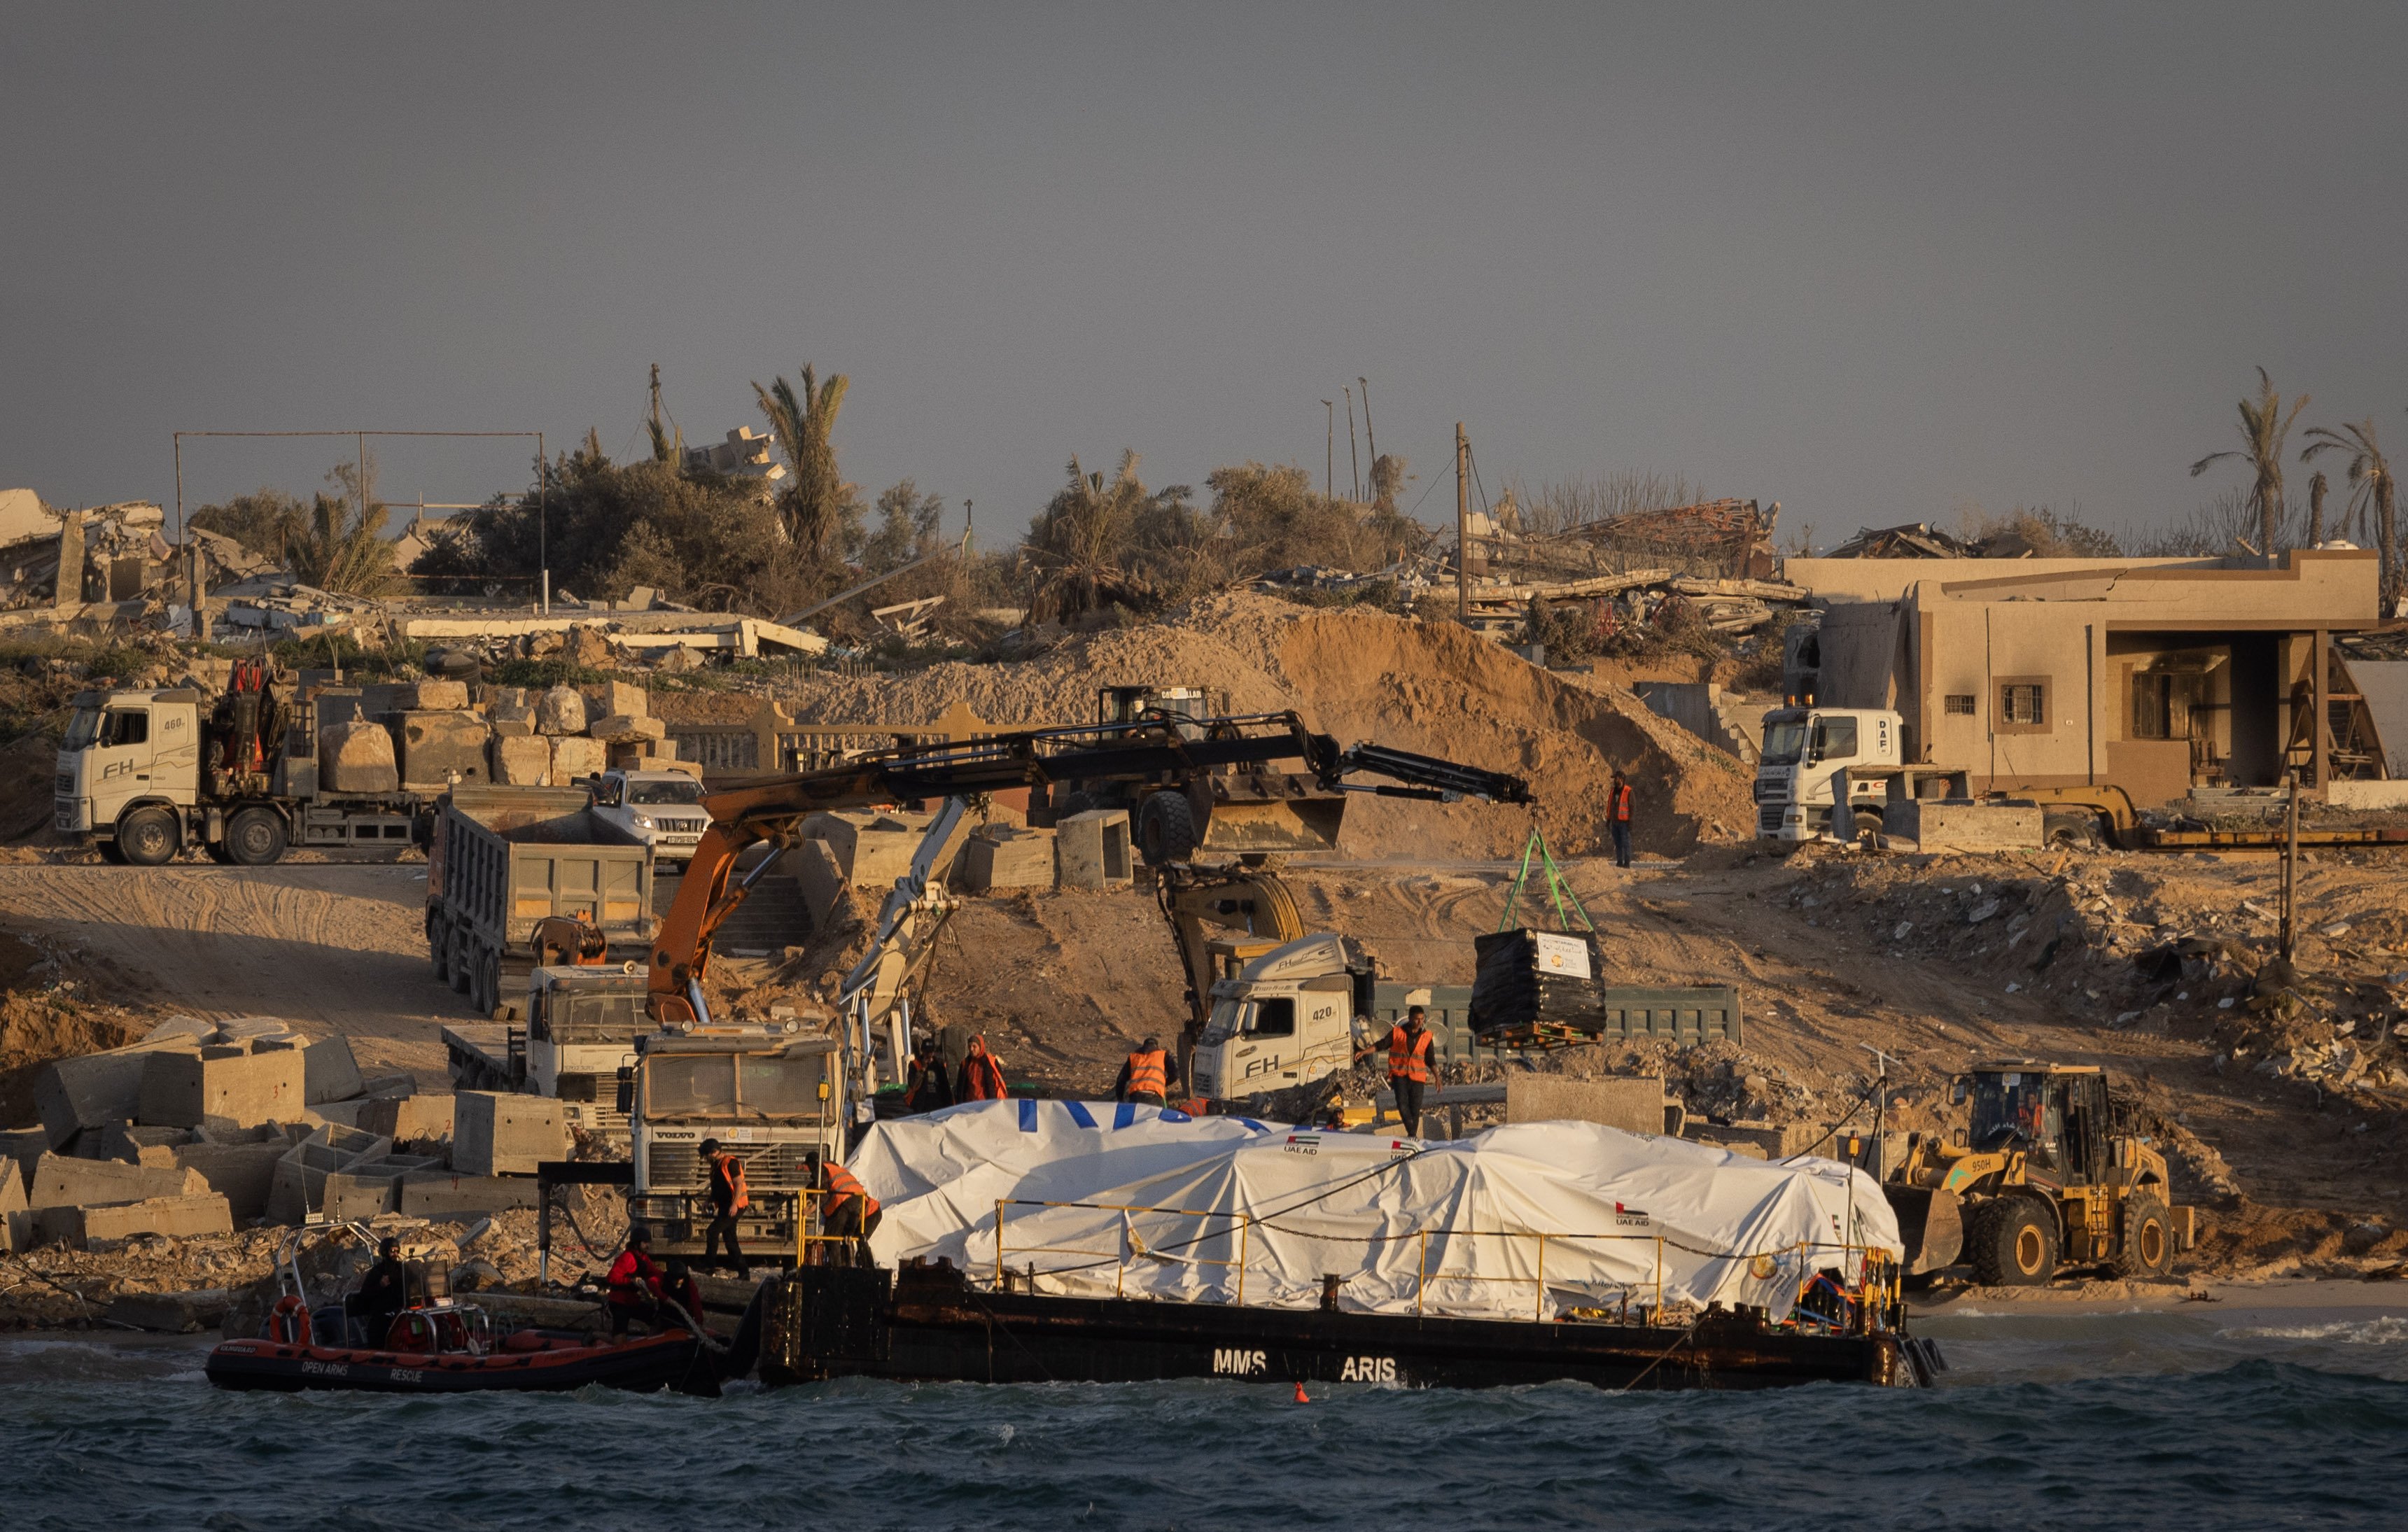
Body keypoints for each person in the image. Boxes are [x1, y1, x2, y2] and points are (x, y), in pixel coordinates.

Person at [699, 1138, 751, 1279]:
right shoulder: (716, 1166)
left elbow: (739, 1184)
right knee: (730, 1241)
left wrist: (734, 1204)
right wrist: (708, 1200)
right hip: (725, 1206)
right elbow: (717, 1188)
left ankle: (709, 1267)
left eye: (706, 1156)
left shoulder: (731, 1163)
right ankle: (744, 1273)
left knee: (712, 1231)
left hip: (735, 1206)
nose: (705, 1160)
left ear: (714, 1152)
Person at [818, 1157, 883, 1263]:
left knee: (859, 1238)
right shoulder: (834, 1196)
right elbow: (825, 1220)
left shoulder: (842, 1193)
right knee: (846, 1237)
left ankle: (866, 1265)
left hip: (872, 1213)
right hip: (860, 1213)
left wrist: (850, 1230)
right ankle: (847, 1263)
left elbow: (854, 1212)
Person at [604, 1227, 666, 1336]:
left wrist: (668, 1277)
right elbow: (611, 1277)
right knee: (619, 1342)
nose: (648, 1246)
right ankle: (595, 1335)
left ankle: (651, 1344)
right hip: (620, 1303)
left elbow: (654, 1272)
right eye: (645, 1243)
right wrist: (630, 1281)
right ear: (637, 1243)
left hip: (633, 1301)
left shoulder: (643, 1258)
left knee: (657, 1320)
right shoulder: (627, 1258)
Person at [351, 1235, 410, 1347]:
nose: (395, 1254)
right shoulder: (377, 1271)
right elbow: (364, 1294)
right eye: (392, 1251)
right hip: (382, 1315)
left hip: (401, 1311)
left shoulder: (402, 1268)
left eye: (397, 1251)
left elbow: (414, 1282)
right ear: (384, 1252)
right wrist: (380, 1285)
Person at [1387, 1005, 1435, 1137]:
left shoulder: (1426, 1037)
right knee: (1402, 1105)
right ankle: (1413, 1134)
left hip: (1417, 1077)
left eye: (1422, 1019)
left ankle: (1412, 1136)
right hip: (1400, 1075)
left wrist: (1438, 1078)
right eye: (1417, 1019)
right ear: (1410, 1019)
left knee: (1415, 1109)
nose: (1420, 1022)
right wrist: (1365, 1051)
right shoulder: (1398, 1033)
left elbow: (1431, 1059)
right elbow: (1382, 1044)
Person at [1113, 1036, 1181, 1106]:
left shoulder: (1134, 1057)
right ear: (1157, 1046)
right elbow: (1176, 1074)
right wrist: (1164, 1083)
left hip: (1136, 1096)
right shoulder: (1163, 1055)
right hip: (1155, 1096)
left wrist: (1120, 1099)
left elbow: (1121, 1080)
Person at [903, 1039, 955, 1114]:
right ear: (922, 1052)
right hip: (921, 1107)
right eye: (926, 1052)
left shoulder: (939, 1065)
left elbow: (945, 1086)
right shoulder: (915, 1064)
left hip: (938, 1106)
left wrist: (950, 1104)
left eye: (931, 1052)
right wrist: (923, 1069)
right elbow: (913, 1085)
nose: (929, 1055)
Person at [658, 1258, 708, 1333]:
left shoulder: (689, 1284)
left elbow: (696, 1303)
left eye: (681, 1279)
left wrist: (699, 1323)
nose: (679, 1281)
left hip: (683, 1318)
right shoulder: (663, 1279)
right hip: (666, 1316)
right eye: (676, 1279)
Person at [957, 1034, 1008, 1102]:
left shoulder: (990, 1062)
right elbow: (961, 1086)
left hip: (987, 1104)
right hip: (970, 1105)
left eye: (974, 1046)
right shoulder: (965, 1063)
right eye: (970, 1047)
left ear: (980, 1047)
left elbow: (996, 1083)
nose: (971, 1049)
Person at [1609, 768, 1635, 870]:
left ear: (1621, 779)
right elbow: (1610, 806)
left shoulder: (1629, 791)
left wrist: (1631, 822)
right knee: (1618, 843)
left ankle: (1627, 863)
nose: (1615, 780)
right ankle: (1619, 862)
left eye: (1616, 778)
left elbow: (1632, 808)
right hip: (1615, 822)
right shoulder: (1613, 791)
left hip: (1624, 823)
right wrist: (1608, 820)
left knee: (1626, 843)